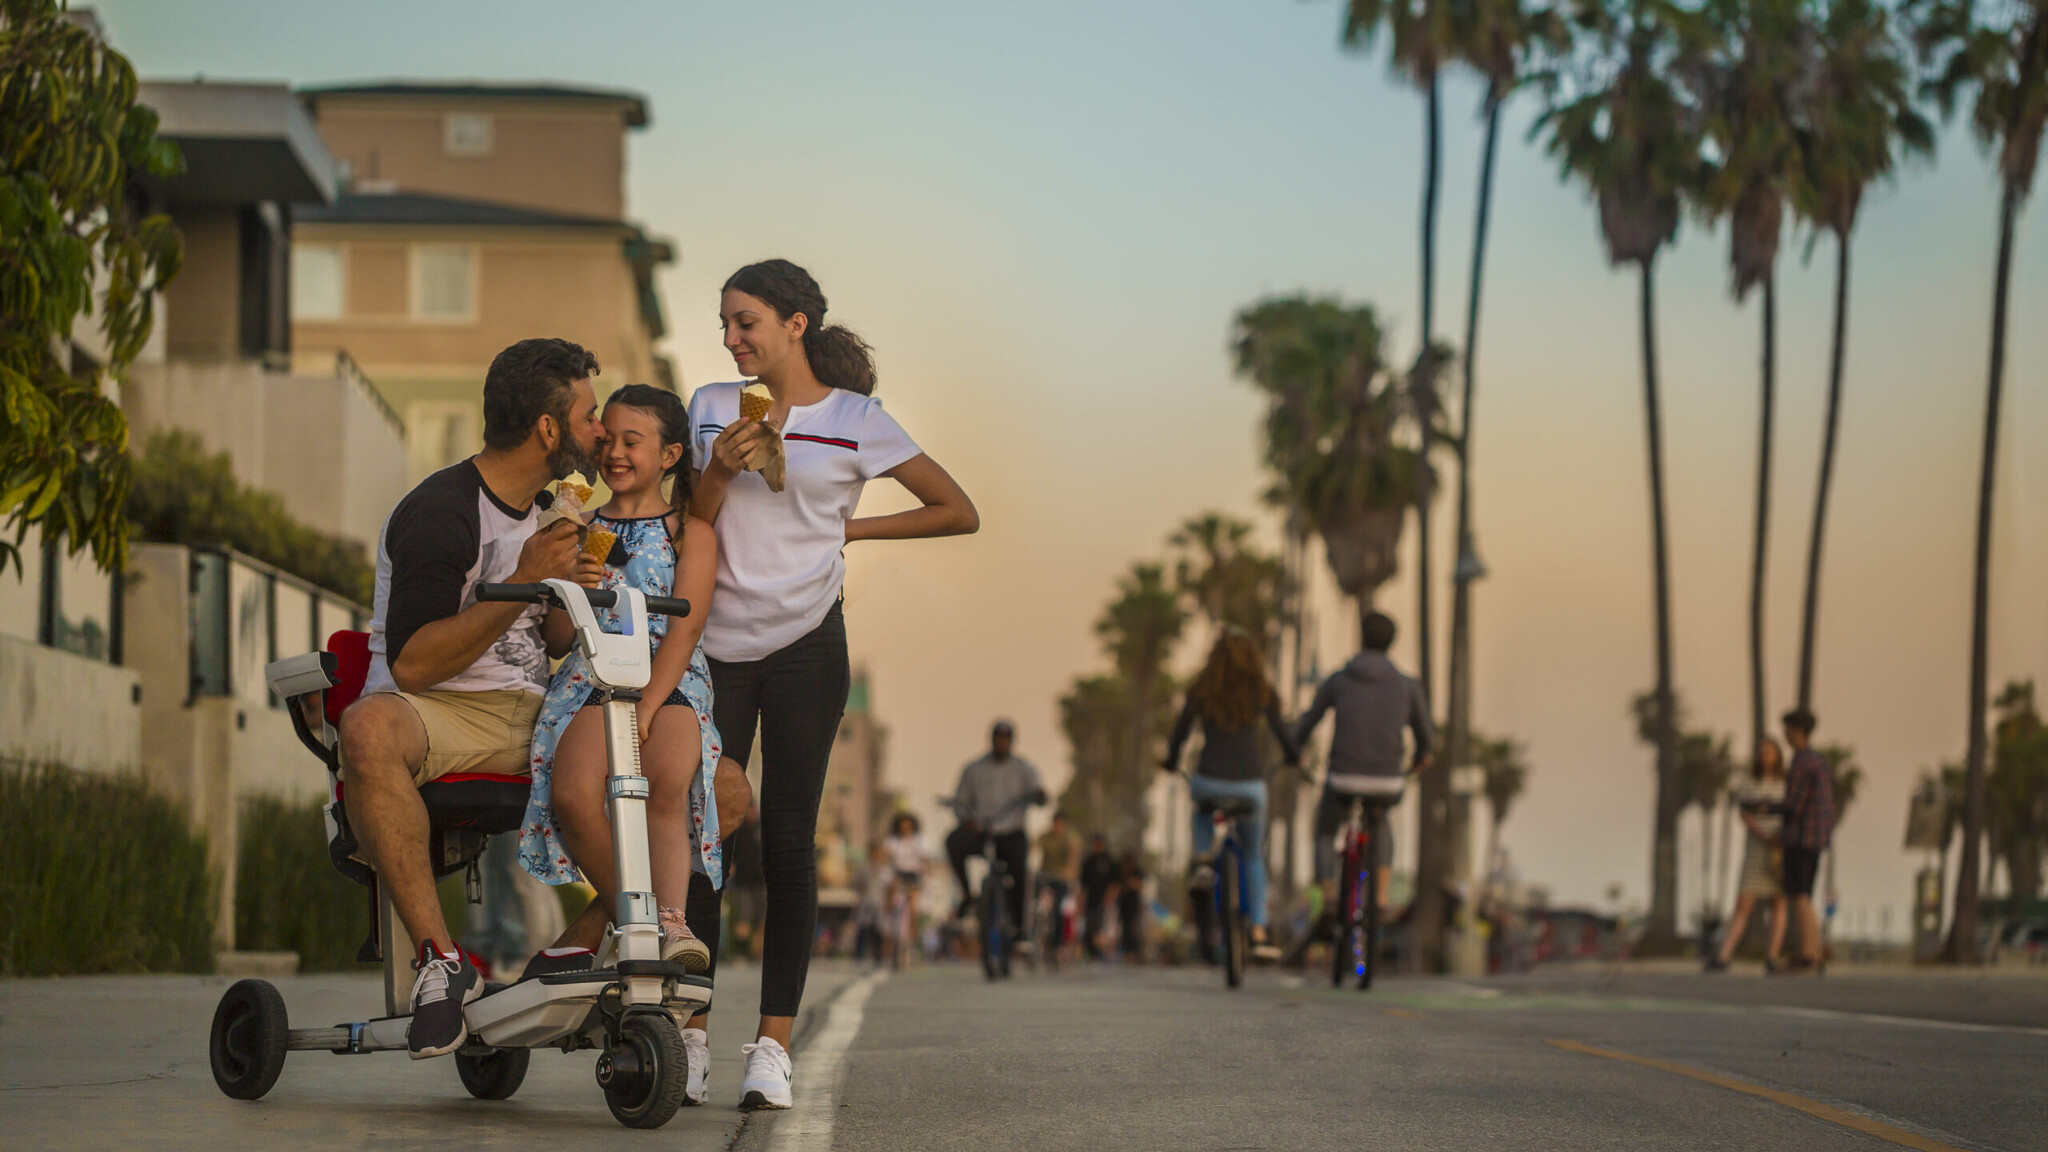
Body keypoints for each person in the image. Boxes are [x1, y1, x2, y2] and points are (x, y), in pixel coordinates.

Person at [683, 259, 978, 1109]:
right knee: (708, 838)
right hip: (719, 647)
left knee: (786, 842)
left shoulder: (856, 420)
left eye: (747, 323)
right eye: (727, 325)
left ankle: (772, 1047)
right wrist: (720, 472)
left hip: (810, 647)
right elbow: (696, 518)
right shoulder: (709, 408)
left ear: (795, 325)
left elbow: (957, 509)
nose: (732, 338)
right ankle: (691, 1033)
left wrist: (854, 526)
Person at [337, 338, 605, 1059]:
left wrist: (573, 591)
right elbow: (415, 663)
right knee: (365, 729)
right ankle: (440, 966)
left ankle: (563, 966)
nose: (600, 430)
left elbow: (547, 643)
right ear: (549, 430)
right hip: (441, 712)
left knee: (702, 778)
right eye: (590, 414)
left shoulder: (551, 513)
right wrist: (520, 576)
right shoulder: (442, 509)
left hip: (536, 713)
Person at [519, 385, 754, 1013]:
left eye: (633, 441)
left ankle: (670, 921)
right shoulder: (577, 529)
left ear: (671, 454)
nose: (616, 452)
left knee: (665, 789)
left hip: (667, 676)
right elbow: (558, 637)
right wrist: (571, 583)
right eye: (609, 439)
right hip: (593, 675)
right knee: (572, 792)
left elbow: (688, 625)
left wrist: (650, 706)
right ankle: (636, 918)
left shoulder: (689, 532)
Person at [1161, 632, 1301, 961]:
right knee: (1252, 856)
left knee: (1200, 811)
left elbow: (1180, 733)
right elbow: (1284, 735)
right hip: (1249, 785)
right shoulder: (1261, 692)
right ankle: (1258, 930)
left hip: (1208, 780)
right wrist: (1294, 756)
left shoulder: (1203, 690)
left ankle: (1202, 860)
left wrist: (1171, 761)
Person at [1295, 611, 1433, 914]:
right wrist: (1421, 758)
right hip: (1388, 781)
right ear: (1392, 642)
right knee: (1381, 821)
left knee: (1325, 831)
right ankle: (1381, 896)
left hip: (1342, 777)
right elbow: (1426, 737)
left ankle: (1329, 896)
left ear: (1362, 638)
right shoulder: (1408, 686)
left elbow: (1308, 721)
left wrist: (1294, 749)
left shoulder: (1339, 680)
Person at [946, 721, 1046, 935]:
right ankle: (967, 894)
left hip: (1011, 832)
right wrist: (966, 820)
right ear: (991, 740)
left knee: (1021, 872)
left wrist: (1039, 796)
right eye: (998, 738)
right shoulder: (974, 769)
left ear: (1011, 741)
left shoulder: (1024, 769)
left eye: (1005, 739)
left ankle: (1020, 927)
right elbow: (960, 800)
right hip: (982, 831)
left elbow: (1038, 791)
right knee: (953, 841)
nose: (1001, 743)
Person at [1706, 737, 1788, 972]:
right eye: (1762, 752)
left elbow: (1791, 811)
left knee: (1778, 903)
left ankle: (1772, 957)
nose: (1765, 756)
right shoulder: (1748, 782)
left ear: (1777, 755)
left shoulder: (1784, 783)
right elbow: (1744, 812)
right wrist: (1763, 834)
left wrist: (1779, 838)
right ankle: (1724, 956)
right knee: (1744, 902)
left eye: (1770, 752)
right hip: (1756, 848)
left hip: (1779, 849)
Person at [1777, 708, 1834, 974]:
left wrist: (1768, 811)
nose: (1784, 734)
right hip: (1817, 838)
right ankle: (1813, 950)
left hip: (1801, 838)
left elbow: (1793, 805)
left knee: (1799, 895)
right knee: (1805, 896)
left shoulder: (1802, 762)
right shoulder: (1819, 761)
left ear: (1798, 730)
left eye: (1787, 729)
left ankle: (1809, 953)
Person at [884, 812, 928, 963]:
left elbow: (924, 860)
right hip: (898, 875)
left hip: (914, 876)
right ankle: (892, 938)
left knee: (914, 910)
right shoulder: (892, 842)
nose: (905, 828)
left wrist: (927, 872)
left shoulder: (918, 841)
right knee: (893, 905)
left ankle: (913, 940)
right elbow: (887, 860)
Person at [1079, 833, 1117, 961]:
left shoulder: (1108, 860)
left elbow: (1114, 881)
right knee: (1089, 925)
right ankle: (1089, 951)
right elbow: (1083, 882)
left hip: (1103, 899)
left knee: (1100, 925)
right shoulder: (1089, 860)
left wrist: (1111, 895)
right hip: (1091, 897)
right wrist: (1081, 897)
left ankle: (1098, 952)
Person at [1116, 850, 1148, 961]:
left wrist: (1132, 884)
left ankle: (1134, 953)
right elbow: (1118, 886)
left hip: (1134, 904)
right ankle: (1127, 952)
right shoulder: (1121, 871)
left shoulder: (1137, 871)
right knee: (1125, 928)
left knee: (1133, 928)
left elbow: (1141, 885)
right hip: (1124, 903)